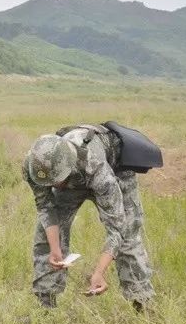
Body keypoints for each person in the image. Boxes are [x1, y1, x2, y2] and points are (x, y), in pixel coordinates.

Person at [24, 124, 155, 309]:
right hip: (72, 177)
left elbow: (116, 228)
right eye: (49, 183)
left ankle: (142, 303)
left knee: (128, 235)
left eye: (56, 181)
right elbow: (46, 207)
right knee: (46, 236)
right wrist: (55, 248)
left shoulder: (98, 170)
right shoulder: (36, 167)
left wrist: (99, 272)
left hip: (114, 170)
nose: (53, 186)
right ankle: (45, 308)